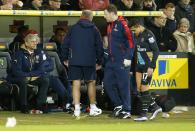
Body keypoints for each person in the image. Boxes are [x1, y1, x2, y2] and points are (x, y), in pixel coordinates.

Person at [62, 10, 103, 117]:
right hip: (89, 61)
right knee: (91, 83)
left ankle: (76, 109)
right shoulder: (95, 29)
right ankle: (93, 108)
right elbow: (99, 46)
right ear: (91, 18)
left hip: (74, 60)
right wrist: (100, 61)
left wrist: (65, 58)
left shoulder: (72, 28)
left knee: (76, 84)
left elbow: (65, 44)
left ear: (81, 16)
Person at [103, 4, 135, 119]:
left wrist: (128, 57)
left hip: (121, 60)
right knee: (107, 83)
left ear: (112, 13)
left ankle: (127, 110)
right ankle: (118, 105)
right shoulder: (110, 25)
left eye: (105, 14)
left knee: (124, 86)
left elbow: (131, 41)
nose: (104, 17)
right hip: (111, 61)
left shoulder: (123, 24)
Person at [9, 29, 50, 114]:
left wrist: (30, 76)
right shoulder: (19, 54)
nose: (35, 43)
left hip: (31, 77)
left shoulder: (38, 54)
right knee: (23, 80)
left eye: (36, 41)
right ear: (26, 43)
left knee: (45, 79)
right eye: (32, 42)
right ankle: (24, 105)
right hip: (16, 78)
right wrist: (29, 76)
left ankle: (40, 104)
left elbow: (41, 70)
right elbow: (16, 72)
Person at [129, 19, 162, 121]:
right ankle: (156, 107)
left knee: (144, 88)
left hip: (147, 66)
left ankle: (143, 115)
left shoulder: (148, 34)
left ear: (138, 26)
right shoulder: (137, 36)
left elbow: (156, 51)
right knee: (139, 90)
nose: (133, 32)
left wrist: (152, 66)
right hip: (138, 66)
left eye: (134, 30)